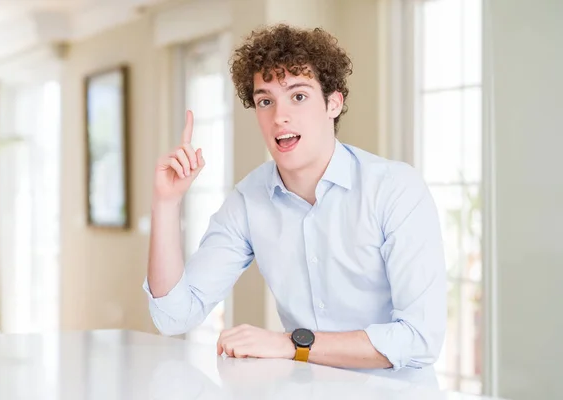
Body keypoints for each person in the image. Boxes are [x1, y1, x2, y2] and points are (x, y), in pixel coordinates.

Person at [143, 24, 446, 386]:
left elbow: (419, 339)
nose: (279, 116)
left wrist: (292, 345)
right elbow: (173, 317)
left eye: (298, 96)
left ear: (333, 102)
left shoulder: (395, 189)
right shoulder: (248, 200)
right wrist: (166, 203)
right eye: (265, 101)